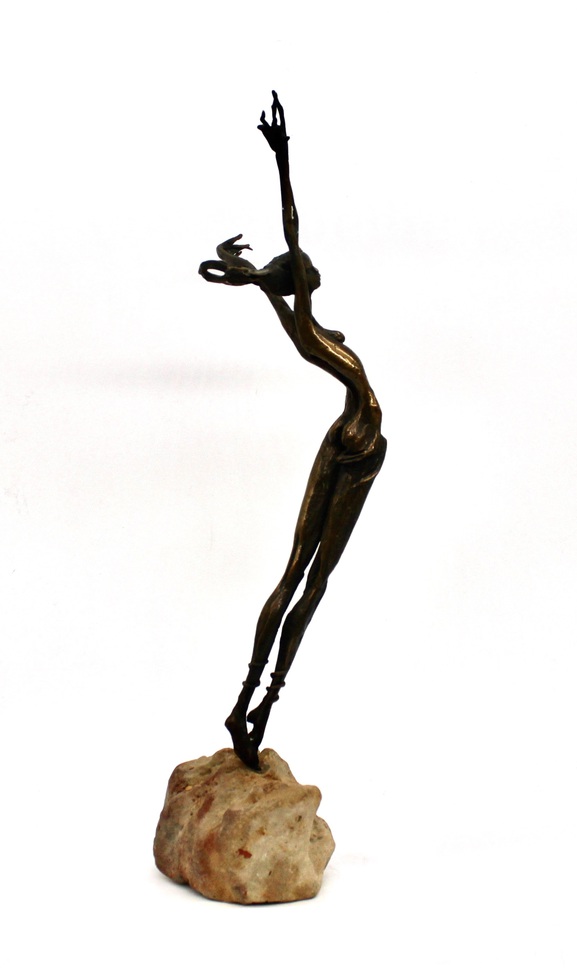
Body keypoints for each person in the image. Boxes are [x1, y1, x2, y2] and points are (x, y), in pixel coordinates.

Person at [199, 93, 386, 769]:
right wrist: (282, 159)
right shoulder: (301, 310)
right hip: (360, 448)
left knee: (295, 573)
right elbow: (293, 227)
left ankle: (247, 702)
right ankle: (264, 699)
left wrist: (252, 274)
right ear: (298, 278)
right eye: (302, 267)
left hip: (341, 439)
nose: (309, 265)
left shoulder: (294, 316)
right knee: (315, 582)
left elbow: (268, 275)